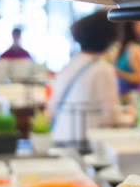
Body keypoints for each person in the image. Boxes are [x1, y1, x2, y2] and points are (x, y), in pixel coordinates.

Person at [47, 10, 134, 146]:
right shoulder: (103, 69)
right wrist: (130, 117)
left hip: (60, 139)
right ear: (109, 39)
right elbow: (110, 117)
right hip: (85, 145)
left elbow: (52, 106)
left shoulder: (71, 64)